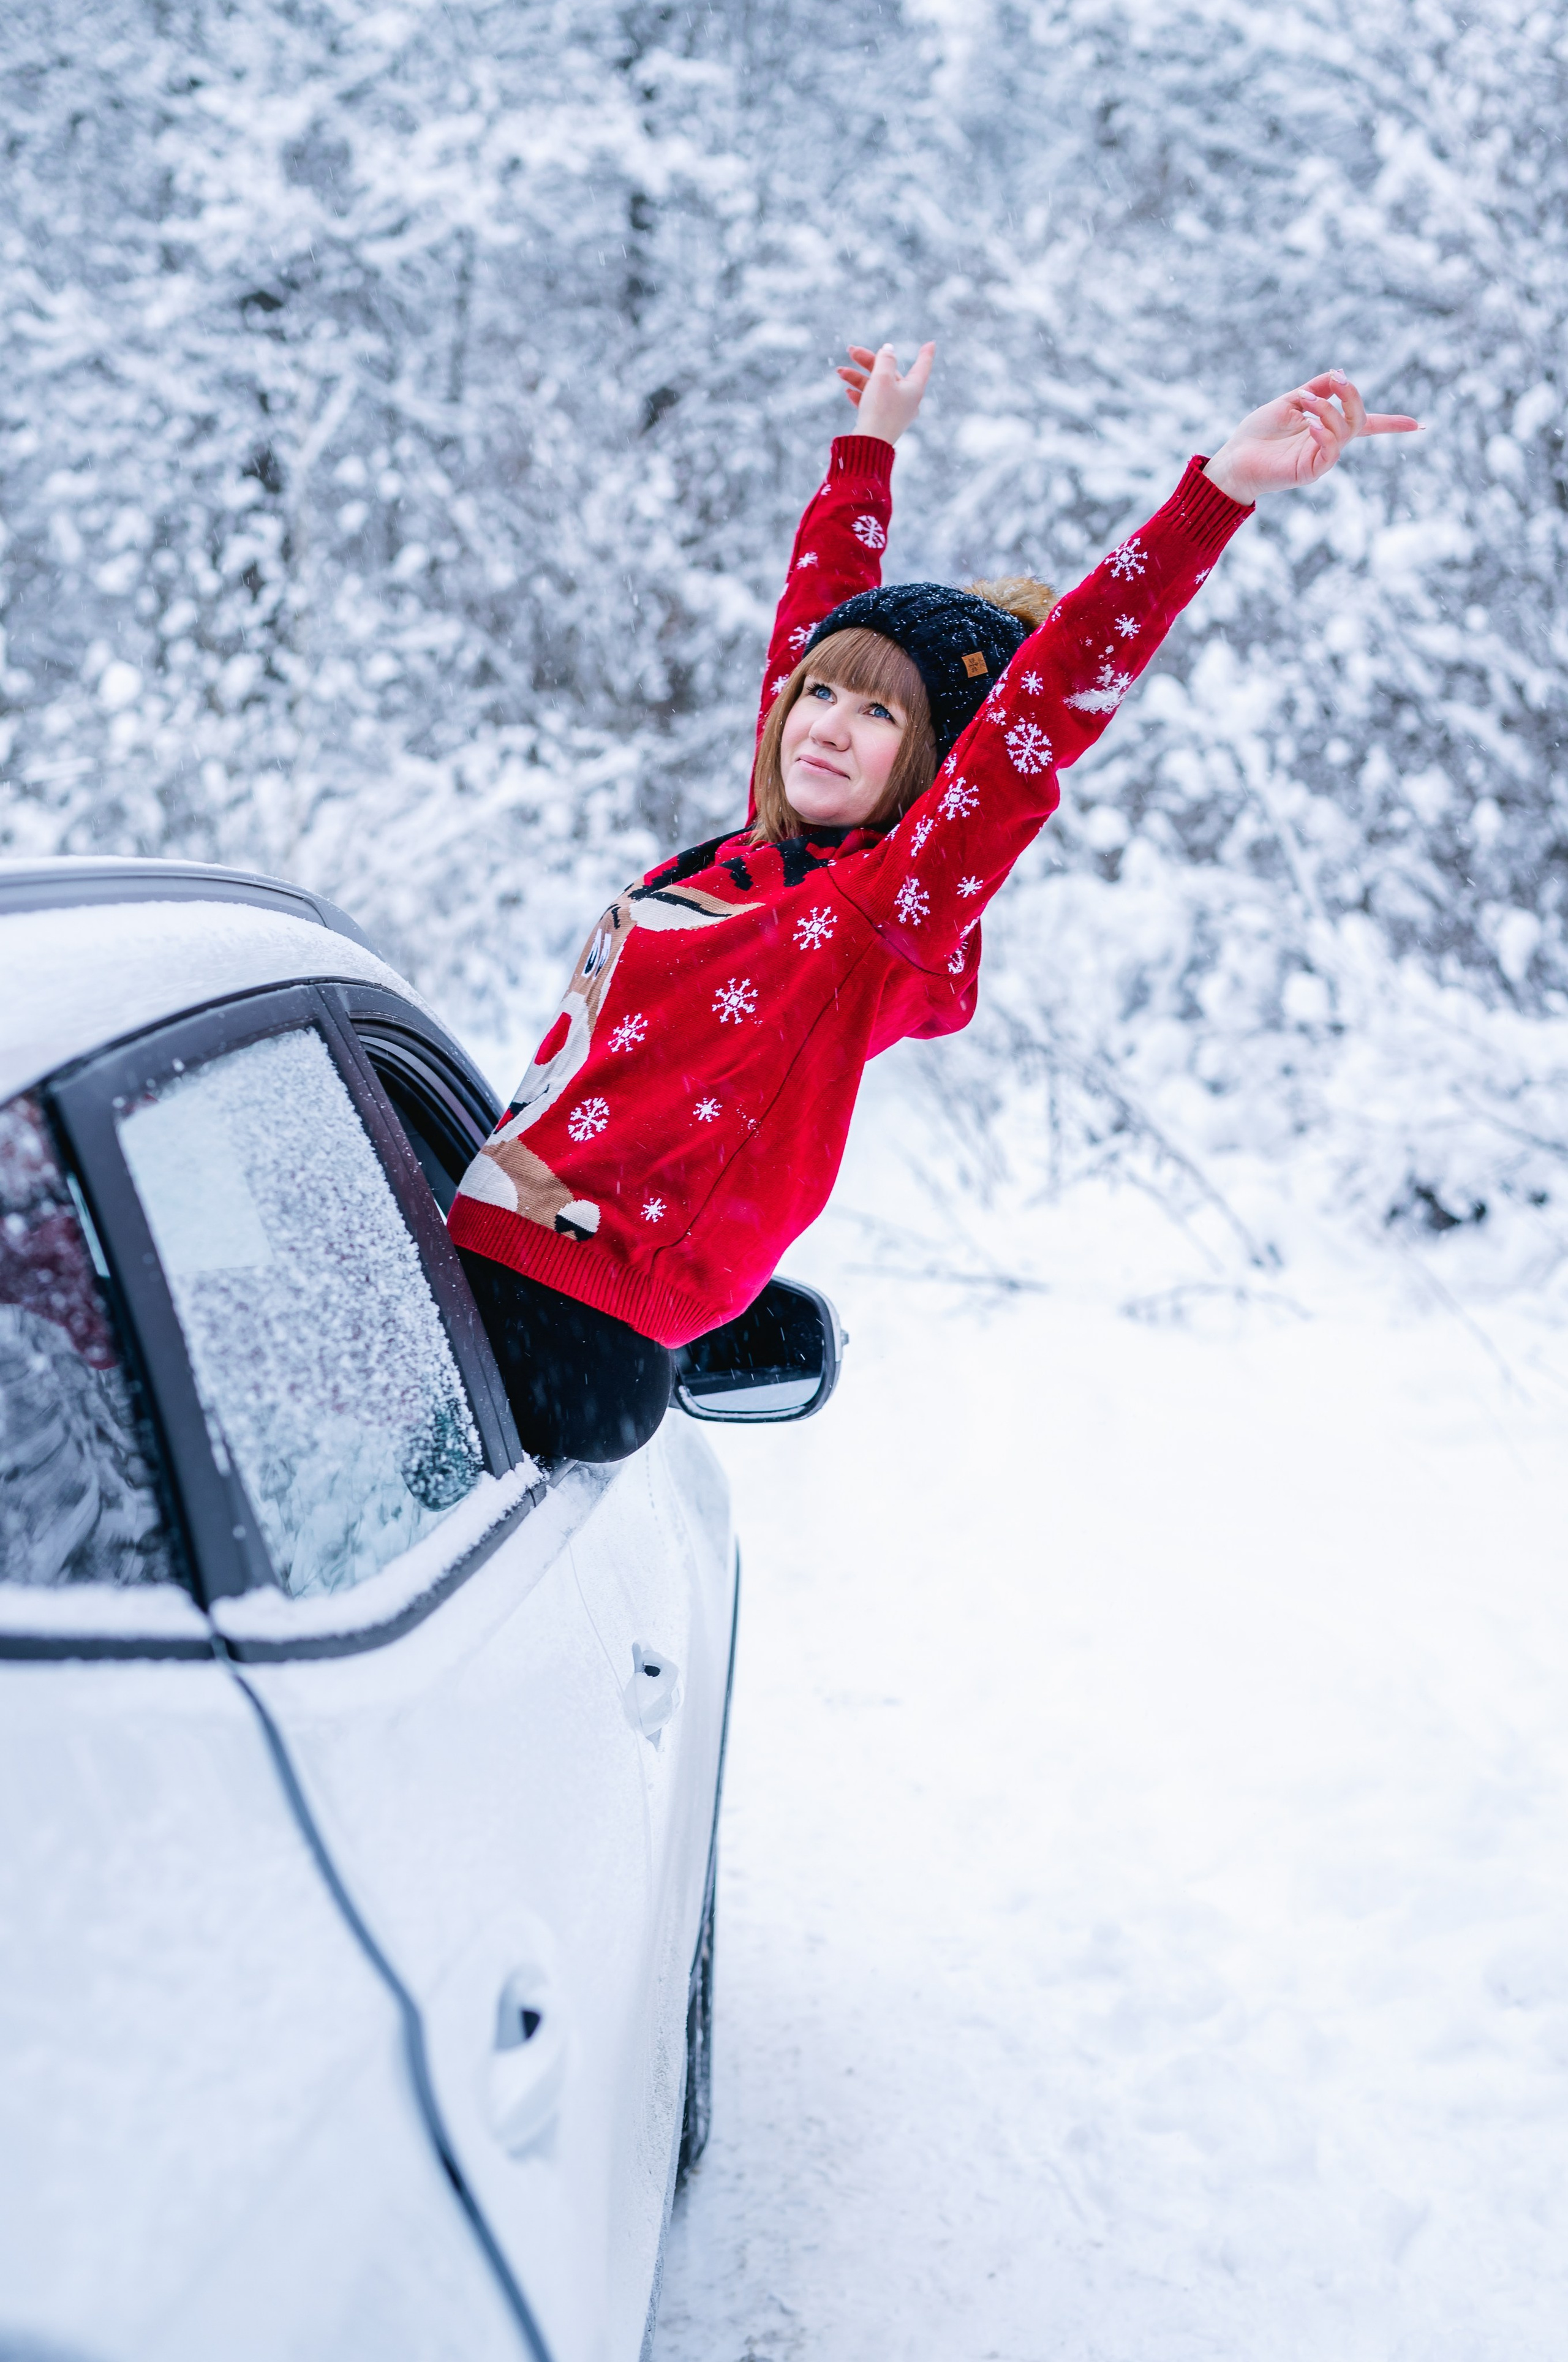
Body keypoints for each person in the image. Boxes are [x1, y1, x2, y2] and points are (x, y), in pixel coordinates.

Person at [451, 345, 1418, 1462]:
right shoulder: (759, 859)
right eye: (821, 694)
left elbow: (1044, 704)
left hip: (571, 1332)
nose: (826, 724)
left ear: (934, 766)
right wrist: (868, 451)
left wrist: (1220, 493)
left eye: (880, 716)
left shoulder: (874, 915)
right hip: (483, 1273)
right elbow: (812, 619)